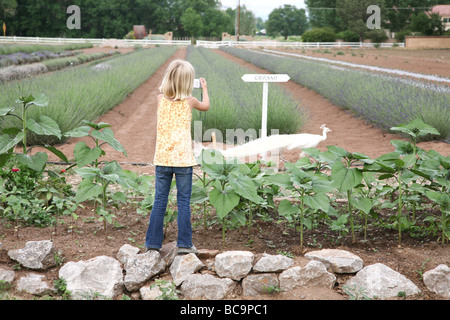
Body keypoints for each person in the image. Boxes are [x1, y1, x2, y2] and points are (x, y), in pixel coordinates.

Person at [145, 59, 209, 254]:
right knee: (183, 201)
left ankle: (153, 244)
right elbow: (206, 106)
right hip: (183, 161)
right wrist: (204, 88)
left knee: (160, 200)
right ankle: (184, 244)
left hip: (163, 159)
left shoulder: (159, 99)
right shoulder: (191, 101)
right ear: (189, 83)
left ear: (168, 79)